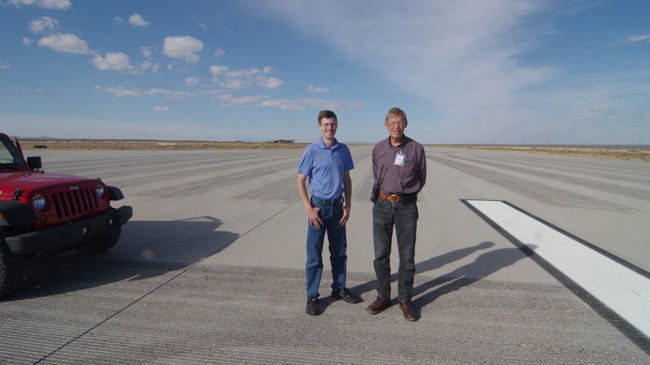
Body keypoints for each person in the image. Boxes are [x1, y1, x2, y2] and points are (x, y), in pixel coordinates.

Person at [297, 110, 361, 316]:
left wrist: (348, 205)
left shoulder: (343, 150)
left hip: (337, 208)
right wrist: (309, 208)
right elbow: (300, 180)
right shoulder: (312, 150)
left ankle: (338, 288)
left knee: (339, 252)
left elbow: (347, 179)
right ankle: (313, 295)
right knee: (314, 254)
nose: (329, 128)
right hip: (318, 208)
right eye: (325, 124)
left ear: (337, 125)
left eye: (332, 124)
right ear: (319, 126)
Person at [367, 107, 427, 321]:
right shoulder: (378, 148)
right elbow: (377, 175)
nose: (396, 126)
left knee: (407, 258)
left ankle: (405, 299)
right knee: (381, 255)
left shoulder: (416, 148)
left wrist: (405, 196)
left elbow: (421, 178)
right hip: (382, 204)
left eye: (400, 122)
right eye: (392, 122)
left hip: (406, 207)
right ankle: (383, 295)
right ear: (386, 125)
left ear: (406, 124)